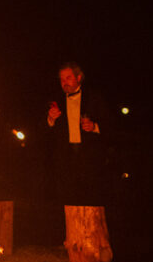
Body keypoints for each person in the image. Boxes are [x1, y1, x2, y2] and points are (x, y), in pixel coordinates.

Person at [46, 61, 110, 207]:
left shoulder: (94, 98)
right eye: (62, 79)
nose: (64, 83)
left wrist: (94, 126)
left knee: (92, 202)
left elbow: (111, 125)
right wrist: (50, 119)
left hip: (90, 158)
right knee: (69, 202)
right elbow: (40, 131)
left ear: (79, 78)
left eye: (68, 78)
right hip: (66, 159)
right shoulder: (55, 100)